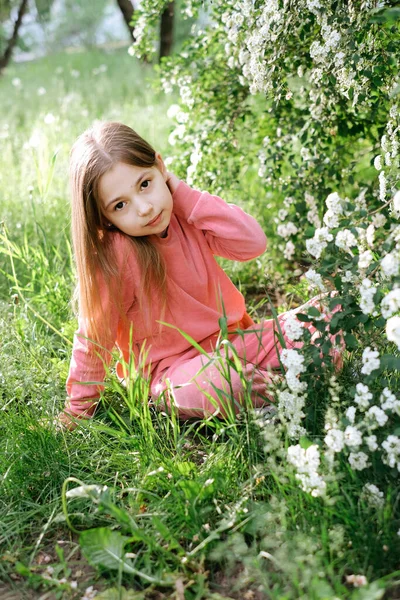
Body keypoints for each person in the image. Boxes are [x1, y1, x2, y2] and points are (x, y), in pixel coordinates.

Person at [59, 121, 342, 430]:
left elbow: (253, 243)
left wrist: (183, 195)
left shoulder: (187, 214)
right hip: (172, 374)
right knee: (222, 382)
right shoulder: (118, 254)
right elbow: (94, 337)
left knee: (332, 313)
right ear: (104, 218)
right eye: (120, 205)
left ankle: (273, 386)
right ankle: (278, 386)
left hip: (235, 343)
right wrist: (77, 410)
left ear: (160, 167)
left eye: (145, 184)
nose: (144, 207)